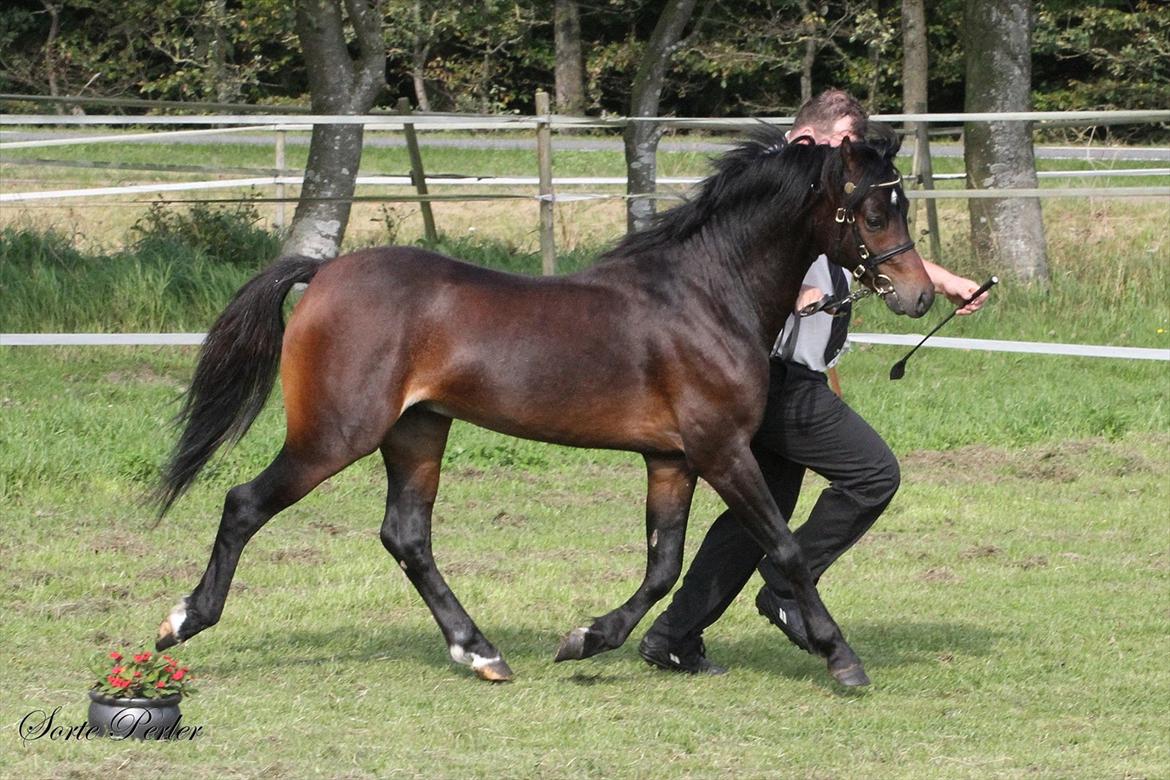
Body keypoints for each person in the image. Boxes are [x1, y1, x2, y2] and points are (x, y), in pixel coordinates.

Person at [637, 89, 988, 674]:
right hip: (763, 375)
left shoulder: (817, 189)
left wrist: (942, 279)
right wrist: (794, 294)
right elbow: (720, 262)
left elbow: (866, 247)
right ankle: (783, 587)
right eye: (841, 148)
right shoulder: (771, 184)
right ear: (806, 140)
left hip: (787, 372)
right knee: (872, 474)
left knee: (761, 512)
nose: (848, 165)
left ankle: (674, 635)